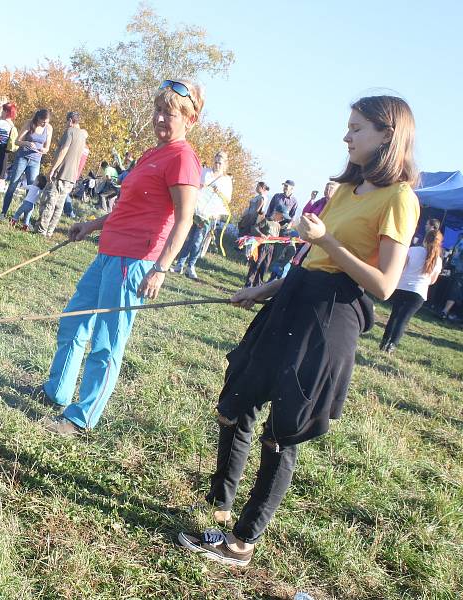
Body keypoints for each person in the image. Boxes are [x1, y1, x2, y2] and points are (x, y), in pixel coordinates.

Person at [177, 95, 420, 567]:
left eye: (356, 129)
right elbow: (309, 260)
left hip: (330, 319)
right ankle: (221, 510)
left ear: (388, 134)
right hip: (290, 303)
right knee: (236, 403)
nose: (346, 137)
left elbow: (385, 285)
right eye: (348, 128)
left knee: (281, 433)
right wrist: (262, 289)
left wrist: (325, 239)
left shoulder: (399, 200)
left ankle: (242, 542)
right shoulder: (348, 190)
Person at [37, 79, 203, 436]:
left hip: (137, 260)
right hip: (109, 251)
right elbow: (128, 207)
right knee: (74, 321)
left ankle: (81, 418)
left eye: (170, 113)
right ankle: (57, 392)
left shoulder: (183, 159)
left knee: (107, 340)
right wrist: (92, 225)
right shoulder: (152, 152)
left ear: (189, 119)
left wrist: (160, 269)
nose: (161, 118)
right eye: (158, 110)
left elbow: (184, 219)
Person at [171, 150, 232, 278]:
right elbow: (193, 185)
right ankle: (180, 264)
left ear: (225, 164)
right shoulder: (205, 172)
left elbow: (227, 200)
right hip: (195, 209)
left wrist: (219, 193)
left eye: (220, 162)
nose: (217, 164)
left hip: (208, 215)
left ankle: (191, 266)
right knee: (187, 238)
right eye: (216, 161)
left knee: (198, 241)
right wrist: (200, 186)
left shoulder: (226, 180)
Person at [380, 229, 443, 352]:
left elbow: (402, 267)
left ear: (425, 239)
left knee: (394, 316)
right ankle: (392, 345)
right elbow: (432, 281)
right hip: (418, 292)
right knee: (403, 319)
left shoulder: (413, 250)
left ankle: (384, 341)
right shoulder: (438, 260)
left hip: (402, 286)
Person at [36, 111, 88, 236]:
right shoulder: (83, 136)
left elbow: (63, 150)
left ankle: (41, 230)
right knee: (59, 206)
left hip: (61, 173)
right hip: (71, 176)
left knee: (49, 202)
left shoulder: (70, 132)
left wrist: (53, 168)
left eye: (66, 121)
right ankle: (50, 231)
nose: (65, 124)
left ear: (70, 121)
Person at [0, 108, 53, 219]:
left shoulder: (49, 128)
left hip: (35, 161)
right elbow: (17, 141)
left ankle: (26, 220)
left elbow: (47, 148)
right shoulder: (29, 123)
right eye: (43, 122)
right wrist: (27, 143)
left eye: (46, 122)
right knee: (13, 185)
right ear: (38, 118)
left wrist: (44, 150)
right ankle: (3, 212)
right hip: (22, 158)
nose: (44, 124)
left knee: (34, 188)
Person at [244, 206, 282, 287]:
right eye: (281, 216)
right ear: (277, 213)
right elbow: (255, 227)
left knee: (265, 266)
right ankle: (248, 284)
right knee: (257, 264)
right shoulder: (267, 221)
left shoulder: (278, 225)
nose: (282, 219)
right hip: (263, 245)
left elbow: (277, 236)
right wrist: (262, 235)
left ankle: (258, 285)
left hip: (271, 247)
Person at [439, 232, 463, 320]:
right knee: (454, 291)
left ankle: (445, 312)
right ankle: (446, 311)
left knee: (455, 291)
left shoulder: (460, 242)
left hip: (459, 271)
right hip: (457, 269)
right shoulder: (460, 241)